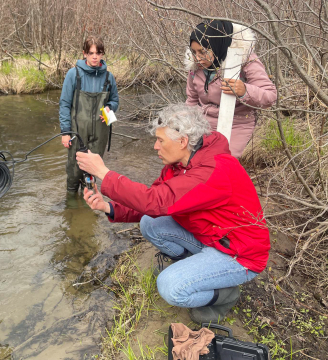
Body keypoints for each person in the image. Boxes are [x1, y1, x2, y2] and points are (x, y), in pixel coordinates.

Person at [76, 104, 270, 323]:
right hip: (212, 239)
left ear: (183, 141)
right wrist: (108, 207)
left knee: (170, 287)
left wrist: (103, 172)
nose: (155, 146)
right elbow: (153, 200)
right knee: (150, 223)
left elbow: (155, 201)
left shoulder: (214, 170)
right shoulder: (179, 164)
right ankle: (196, 269)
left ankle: (226, 295)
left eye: (160, 140)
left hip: (239, 255)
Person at [185, 20, 277, 158]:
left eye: (203, 52)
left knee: (223, 163)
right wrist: (184, 125)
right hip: (202, 122)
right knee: (189, 161)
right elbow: (191, 100)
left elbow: (270, 97)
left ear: (217, 46)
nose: (197, 58)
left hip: (237, 123)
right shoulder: (195, 68)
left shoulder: (243, 59)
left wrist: (245, 91)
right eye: (194, 52)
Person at [59, 35, 119, 192]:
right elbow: (64, 104)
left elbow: (115, 101)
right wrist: (65, 132)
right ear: (84, 53)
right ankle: (71, 205)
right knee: (74, 170)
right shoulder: (73, 74)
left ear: (102, 54)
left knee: (92, 172)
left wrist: (110, 108)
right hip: (77, 131)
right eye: (91, 53)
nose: (95, 57)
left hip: (100, 132)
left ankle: (88, 208)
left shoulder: (109, 77)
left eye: (98, 53)